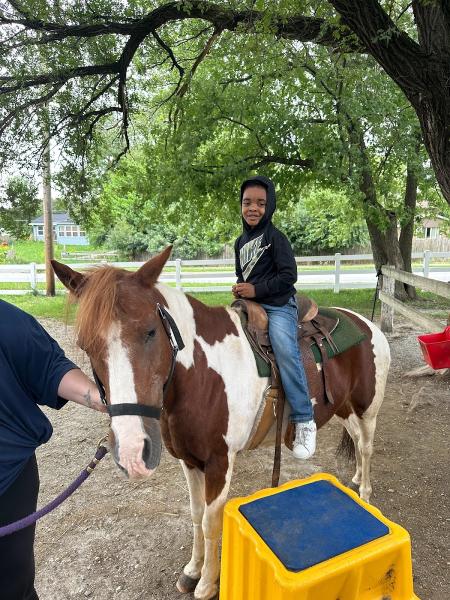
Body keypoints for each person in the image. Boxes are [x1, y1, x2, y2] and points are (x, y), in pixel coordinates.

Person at [0, 299, 107, 600]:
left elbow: (48, 367)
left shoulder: (5, 319)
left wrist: (106, 400)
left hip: (7, 481)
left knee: (12, 586)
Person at [232, 175, 316, 460]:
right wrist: (242, 289)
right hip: (251, 305)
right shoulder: (240, 242)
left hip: (279, 305)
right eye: (247, 202)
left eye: (260, 203)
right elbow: (244, 274)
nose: (252, 208)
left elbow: (288, 277)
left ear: (269, 207)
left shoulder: (275, 238)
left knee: (284, 347)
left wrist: (256, 289)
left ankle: (304, 418)